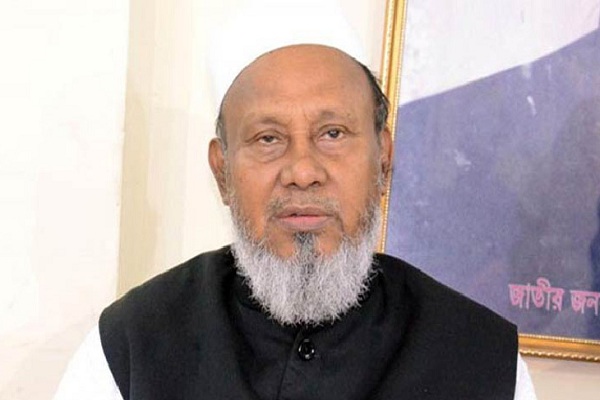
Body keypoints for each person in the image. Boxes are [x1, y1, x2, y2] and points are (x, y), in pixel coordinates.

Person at [54, 43, 537, 400]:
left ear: (384, 159)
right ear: (222, 173)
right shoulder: (132, 345)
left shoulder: (480, 356)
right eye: (268, 138)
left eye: (333, 133)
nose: (302, 171)